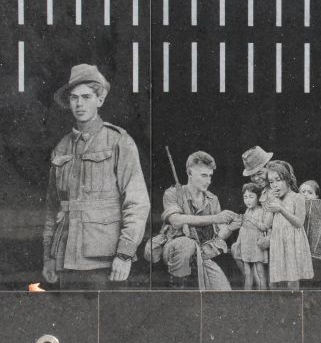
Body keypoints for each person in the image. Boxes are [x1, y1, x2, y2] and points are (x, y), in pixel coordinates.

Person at [43, 64, 150, 290]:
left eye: (86, 97)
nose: (79, 104)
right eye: (74, 98)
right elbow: (53, 208)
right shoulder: (61, 147)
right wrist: (49, 257)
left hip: (105, 260)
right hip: (64, 257)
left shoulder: (119, 141)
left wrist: (125, 254)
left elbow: (137, 202)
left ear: (99, 100)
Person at [160, 151, 238, 290]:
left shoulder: (213, 199)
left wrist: (231, 227)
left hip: (202, 254)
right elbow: (176, 220)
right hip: (175, 250)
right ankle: (178, 288)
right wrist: (214, 218)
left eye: (210, 176)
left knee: (224, 291)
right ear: (189, 173)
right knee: (186, 244)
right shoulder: (172, 193)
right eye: (203, 175)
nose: (208, 181)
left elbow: (219, 235)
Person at [264, 160, 313, 289]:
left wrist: (281, 209)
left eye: (278, 180)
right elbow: (267, 223)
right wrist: (271, 202)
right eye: (271, 182)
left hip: (293, 243)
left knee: (292, 279)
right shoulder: (274, 198)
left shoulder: (297, 197)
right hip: (278, 241)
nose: (274, 185)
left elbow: (299, 223)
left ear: (288, 179)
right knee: (275, 279)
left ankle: (295, 306)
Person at [232, 182, 270, 290]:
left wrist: (253, 221)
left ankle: (264, 296)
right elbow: (243, 229)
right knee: (247, 272)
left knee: (260, 271)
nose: (248, 200)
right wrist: (239, 244)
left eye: (251, 197)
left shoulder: (261, 211)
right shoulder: (246, 211)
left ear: (258, 197)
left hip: (256, 246)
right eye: (245, 197)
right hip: (246, 245)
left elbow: (265, 227)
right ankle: (246, 296)